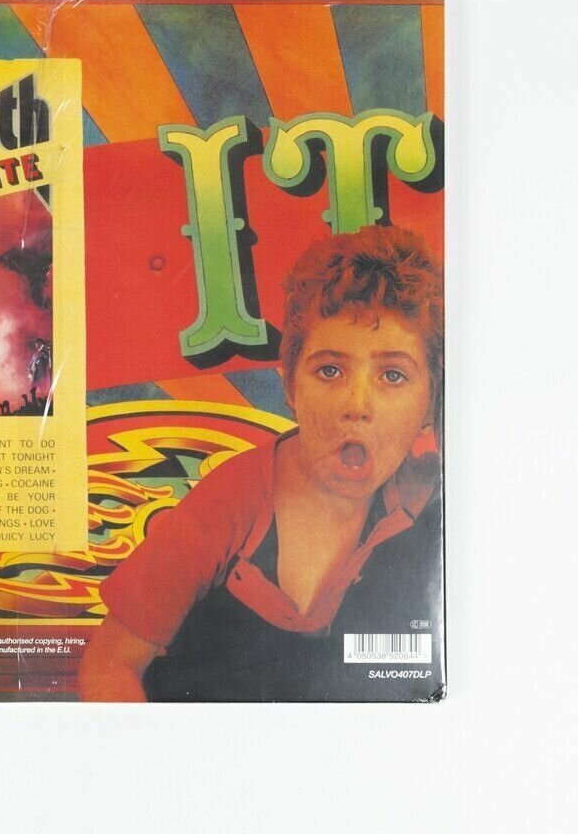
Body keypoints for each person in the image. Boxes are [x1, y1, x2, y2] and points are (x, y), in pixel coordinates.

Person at [79, 225, 443, 702]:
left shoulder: (431, 498)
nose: (357, 404)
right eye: (329, 370)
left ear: (431, 402)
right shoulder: (230, 503)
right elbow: (109, 665)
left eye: (392, 375)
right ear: (290, 385)